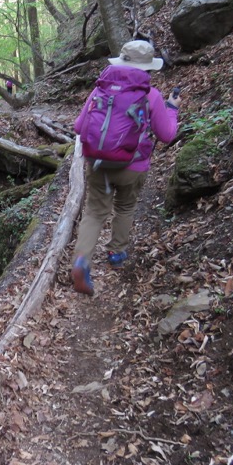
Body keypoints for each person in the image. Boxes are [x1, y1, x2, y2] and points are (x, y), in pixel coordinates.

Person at [70, 40, 182, 295]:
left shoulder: (99, 90)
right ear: (148, 69)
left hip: (97, 162)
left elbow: (79, 127)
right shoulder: (150, 95)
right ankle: (117, 253)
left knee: (95, 211)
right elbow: (166, 135)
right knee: (125, 206)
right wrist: (172, 109)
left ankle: (81, 260)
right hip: (133, 165)